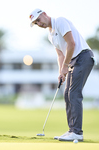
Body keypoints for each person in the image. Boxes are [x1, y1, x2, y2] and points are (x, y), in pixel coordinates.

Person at [29, 8, 96, 141]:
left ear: (44, 14)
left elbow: (71, 44)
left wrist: (66, 66)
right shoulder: (50, 35)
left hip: (83, 57)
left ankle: (77, 132)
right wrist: (61, 72)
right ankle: (72, 130)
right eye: (36, 23)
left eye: (38, 20)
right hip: (72, 61)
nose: (39, 23)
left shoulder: (60, 21)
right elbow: (60, 54)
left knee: (74, 93)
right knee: (67, 94)